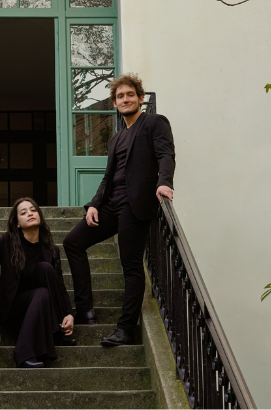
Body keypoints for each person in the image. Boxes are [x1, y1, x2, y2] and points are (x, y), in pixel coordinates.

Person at [63, 73, 175, 346]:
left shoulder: (153, 123)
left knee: (131, 265)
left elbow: (166, 154)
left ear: (140, 98)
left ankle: (126, 329)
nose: (125, 99)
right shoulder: (116, 138)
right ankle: (85, 309)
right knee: (73, 242)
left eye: (130, 95)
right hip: (112, 203)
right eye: (120, 96)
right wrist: (94, 204)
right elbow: (108, 176)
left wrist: (164, 183)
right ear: (114, 103)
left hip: (136, 205)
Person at [0, 198, 75, 368]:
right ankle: (30, 349)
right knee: (41, 292)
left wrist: (68, 314)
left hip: (41, 305)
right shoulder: (7, 241)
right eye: (23, 212)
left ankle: (59, 327)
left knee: (45, 273)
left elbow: (58, 285)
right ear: (17, 223)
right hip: (12, 308)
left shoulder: (51, 250)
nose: (30, 213)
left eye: (33, 210)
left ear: (40, 216)